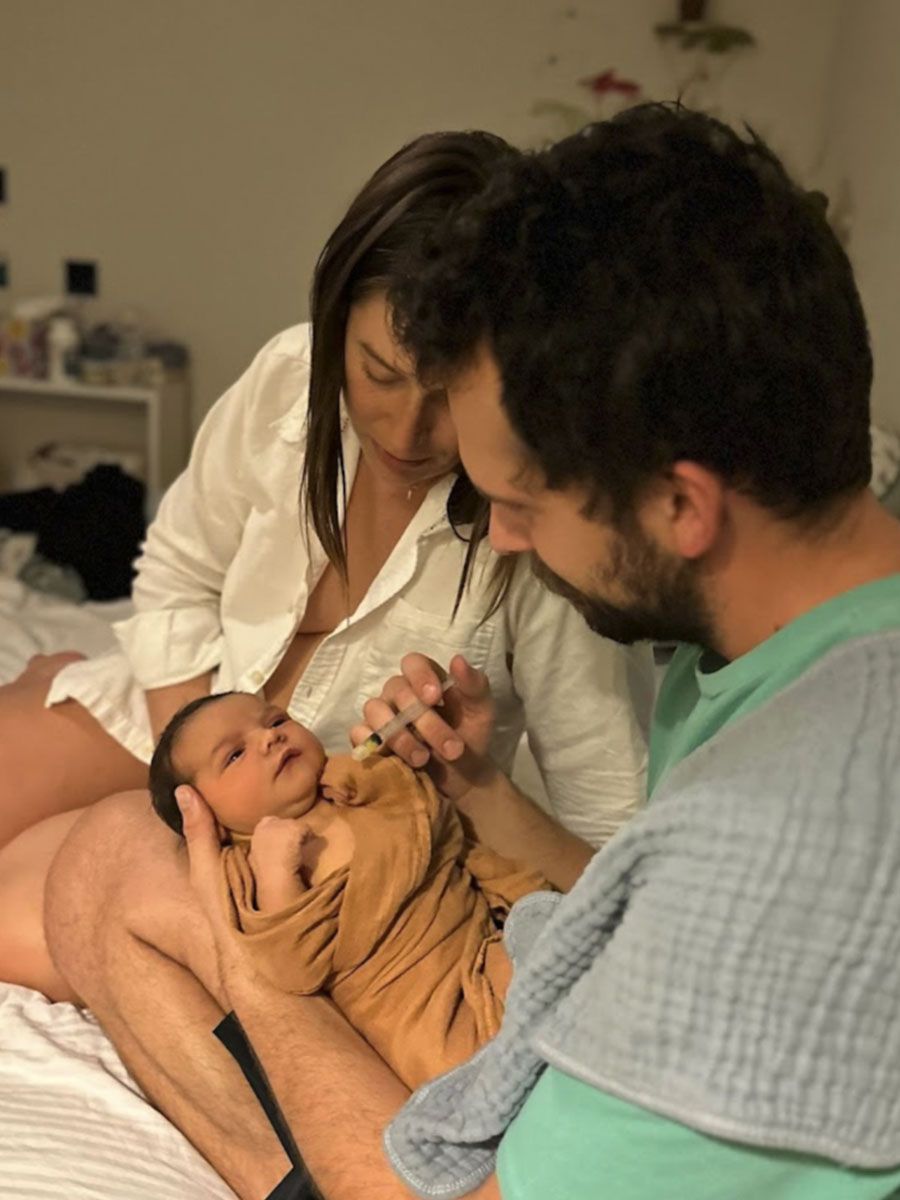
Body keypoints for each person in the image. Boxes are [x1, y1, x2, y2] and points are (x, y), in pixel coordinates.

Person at [45, 100, 900, 1200]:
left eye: (521, 499)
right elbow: (633, 899)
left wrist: (272, 988)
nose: (498, 534)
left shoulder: (779, 843)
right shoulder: (773, 650)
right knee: (97, 860)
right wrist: (488, 792)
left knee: (99, 876)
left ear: (681, 507)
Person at [0, 130, 652, 1000]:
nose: (404, 434)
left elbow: (609, 852)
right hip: (186, 718)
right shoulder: (288, 376)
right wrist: (191, 775)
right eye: (378, 372)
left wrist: (472, 780)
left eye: (448, 399)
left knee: (20, 922)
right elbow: (176, 572)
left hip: (316, 834)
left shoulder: (540, 536)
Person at [149, 690, 547, 1089]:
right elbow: (293, 966)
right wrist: (277, 874)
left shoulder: (360, 783)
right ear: (205, 815)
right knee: (484, 1048)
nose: (269, 738)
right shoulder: (248, 869)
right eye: (234, 755)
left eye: (275, 721)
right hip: (422, 1012)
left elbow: (447, 835)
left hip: (485, 940)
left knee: (554, 962)